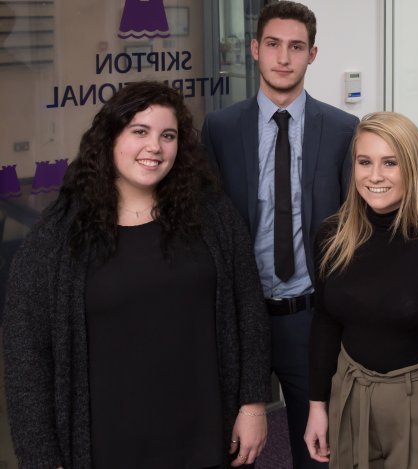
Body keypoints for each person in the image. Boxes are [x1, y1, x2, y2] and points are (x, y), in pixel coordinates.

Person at [3, 81, 270, 468]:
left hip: (205, 435)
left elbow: (248, 306)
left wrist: (253, 403)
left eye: (168, 136)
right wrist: (42, 458)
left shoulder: (211, 214)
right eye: (140, 132)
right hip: (107, 445)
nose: (155, 148)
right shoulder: (59, 235)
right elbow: (26, 355)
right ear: (111, 137)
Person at [202, 0, 358, 468]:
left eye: (296, 47)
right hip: (238, 317)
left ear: (312, 54)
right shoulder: (220, 129)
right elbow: (204, 226)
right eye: (273, 45)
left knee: (318, 453)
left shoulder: (343, 129)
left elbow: (355, 226)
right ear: (255, 49)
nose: (284, 58)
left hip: (308, 318)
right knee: (228, 450)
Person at [304, 112, 418, 469]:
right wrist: (317, 404)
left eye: (390, 163)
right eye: (364, 162)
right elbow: (326, 321)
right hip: (350, 390)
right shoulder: (331, 236)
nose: (374, 176)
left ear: (413, 168)